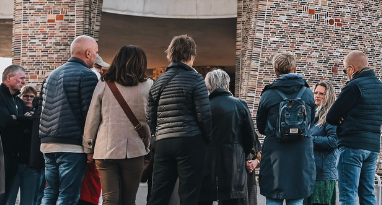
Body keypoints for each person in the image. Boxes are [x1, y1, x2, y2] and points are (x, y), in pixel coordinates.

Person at [146, 35, 213, 205]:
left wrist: (157, 134)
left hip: (163, 142)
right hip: (190, 141)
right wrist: (208, 139)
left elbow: (151, 117)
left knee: (159, 192)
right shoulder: (196, 78)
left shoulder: (158, 81)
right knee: (189, 193)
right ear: (191, 55)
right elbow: (204, 115)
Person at [83, 45, 153, 205]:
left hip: (105, 149)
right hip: (135, 149)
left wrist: (89, 147)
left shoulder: (104, 83)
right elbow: (151, 119)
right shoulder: (148, 85)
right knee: (129, 199)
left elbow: (92, 117)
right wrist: (148, 142)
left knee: (110, 198)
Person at [39, 36, 101, 205]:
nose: (96, 57)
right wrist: (91, 148)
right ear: (88, 53)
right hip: (72, 146)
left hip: (48, 144)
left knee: (50, 192)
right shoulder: (87, 76)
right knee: (68, 195)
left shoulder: (51, 76)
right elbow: (90, 115)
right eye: (95, 53)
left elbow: (41, 109)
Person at [324, 52, 382, 205]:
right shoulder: (380, 87)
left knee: (348, 194)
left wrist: (342, 116)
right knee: (367, 193)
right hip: (372, 147)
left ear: (351, 68)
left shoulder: (354, 86)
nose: (346, 74)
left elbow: (331, 116)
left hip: (352, 146)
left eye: (345, 70)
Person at [256, 53, 316, 205]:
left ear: (276, 72)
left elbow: (261, 127)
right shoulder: (308, 93)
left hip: (275, 156)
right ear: (295, 70)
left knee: (273, 198)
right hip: (300, 155)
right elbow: (311, 122)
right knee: (296, 199)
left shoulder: (268, 94)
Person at [198, 69, 260, 205]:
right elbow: (250, 137)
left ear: (208, 86)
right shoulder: (240, 105)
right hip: (234, 165)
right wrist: (245, 155)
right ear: (227, 84)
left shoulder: (202, 108)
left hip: (206, 166)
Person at [0, 65, 33, 205]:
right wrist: (22, 119)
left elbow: (26, 124)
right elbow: (4, 122)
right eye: (21, 78)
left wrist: (16, 118)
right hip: (0, 158)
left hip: (15, 159)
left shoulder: (19, 101)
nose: (24, 82)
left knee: (6, 198)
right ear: (9, 78)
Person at [308, 82, 338, 205]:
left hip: (323, 175)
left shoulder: (332, 116)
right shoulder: (313, 115)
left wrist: (309, 139)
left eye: (322, 94)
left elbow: (333, 141)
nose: (317, 96)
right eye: (315, 93)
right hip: (311, 173)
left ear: (328, 96)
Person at [19, 86, 44, 205]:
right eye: (25, 96)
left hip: (32, 162)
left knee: (30, 199)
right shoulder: (18, 111)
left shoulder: (39, 114)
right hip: (17, 161)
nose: (28, 99)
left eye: (31, 96)